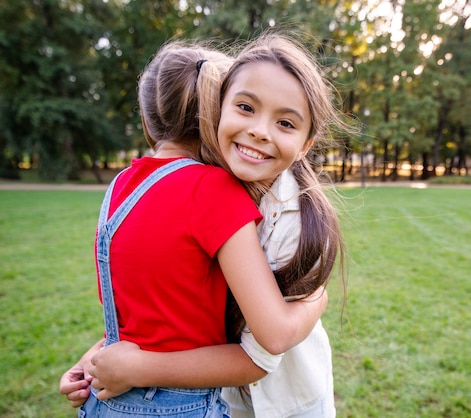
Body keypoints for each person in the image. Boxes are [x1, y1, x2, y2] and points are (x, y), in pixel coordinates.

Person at [62, 32, 352, 417]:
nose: (260, 130)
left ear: (305, 143)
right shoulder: (211, 188)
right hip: (211, 395)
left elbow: (266, 346)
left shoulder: (284, 213)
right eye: (246, 108)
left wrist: (316, 297)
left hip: (283, 403)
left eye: (284, 122)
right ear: (217, 112)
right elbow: (163, 308)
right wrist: (96, 360)